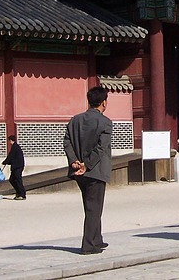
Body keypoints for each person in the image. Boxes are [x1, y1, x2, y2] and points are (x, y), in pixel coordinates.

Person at [63, 86, 112, 255]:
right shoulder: (105, 122)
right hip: (95, 170)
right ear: (104, 102)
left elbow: (67, 142)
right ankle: (88, 244)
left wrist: (74, 161)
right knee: (94, 208)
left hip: (78, 171)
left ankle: (97, 238)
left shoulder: (74, 120)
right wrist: (87, 164)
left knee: (91, 206)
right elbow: (101, 148)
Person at [2, 134, 26, 200]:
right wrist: (7, 162)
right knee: (12, 179)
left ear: (10, 140)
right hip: (16, 166)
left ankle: (22, 194)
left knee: (18, 180)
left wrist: (5, 162)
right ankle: (18, 192)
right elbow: (12, 158)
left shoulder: (15, 147)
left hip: (18, 167)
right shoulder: (15, 147)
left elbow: (10, 156)